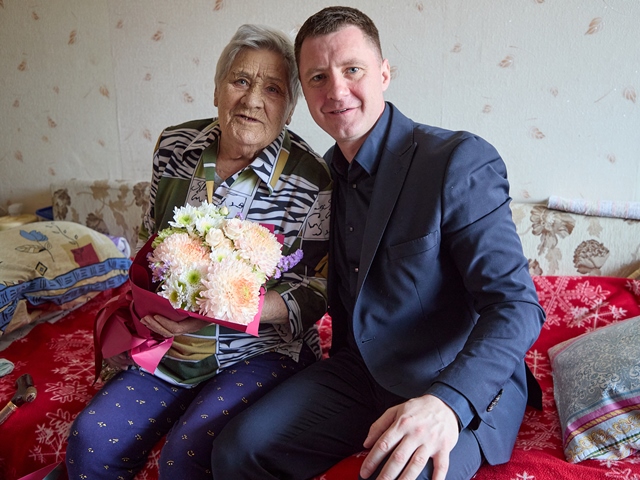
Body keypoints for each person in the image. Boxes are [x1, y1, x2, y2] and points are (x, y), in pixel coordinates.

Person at [210, 6, 545, 480]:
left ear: (384, 73)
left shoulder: (456, 160)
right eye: (318, 77)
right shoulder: (321, 179)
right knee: (237, 450)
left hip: (447, 379)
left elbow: (516, 305)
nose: (336, 91)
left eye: (352, 70)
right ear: (305, 91)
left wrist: (447, 403)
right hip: (359, 373)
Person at [65, 24, 331, 479]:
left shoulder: (311, 179)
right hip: (169, 343)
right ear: (216, 89)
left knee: (185, 454)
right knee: (90, 442)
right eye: (240, 80)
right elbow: (150, 241)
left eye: (272, 89)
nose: (252, 100)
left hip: (260, 349)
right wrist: (144, 313)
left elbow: (317, 290)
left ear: (289, 109)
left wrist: (226, 309)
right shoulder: (175, 148)